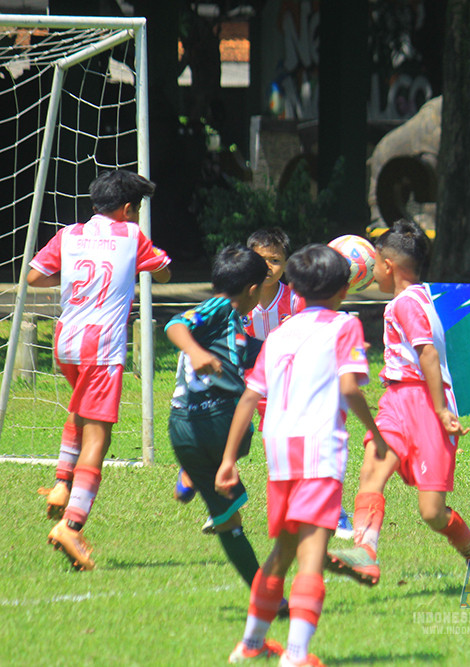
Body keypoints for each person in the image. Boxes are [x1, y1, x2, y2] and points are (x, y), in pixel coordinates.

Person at [217, 244, 388, 666]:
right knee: (311, 556)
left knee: (284, 550)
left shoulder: (280, 333)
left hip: (279, 450)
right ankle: (296, 654)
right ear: (345, 288)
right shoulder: (344, 327)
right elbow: (349, 389)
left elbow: (248, 398)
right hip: (318, 451)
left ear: (296, 287)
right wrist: (376, 433)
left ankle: (251, 644)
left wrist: (228, 460)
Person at [326, 219, 470, 588]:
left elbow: (428, 355)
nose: (368, 275)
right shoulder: (410, 299)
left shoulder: (407, 304)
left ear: (388, 267)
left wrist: (441, 410)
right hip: (396, 400)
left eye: (373, 266)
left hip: (428, 404)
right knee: (372, 471)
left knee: (432, 513)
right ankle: (364, 552)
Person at [26, 169, 172, 571]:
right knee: (99, 437)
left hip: (65, 342)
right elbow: (163, 271)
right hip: (102, 349)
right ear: (128, 209)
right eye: (137, 209)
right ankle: (72, 525)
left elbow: (35, 275)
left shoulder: (70, 234)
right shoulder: (131, 236)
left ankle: (60, 484)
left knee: (78, 409)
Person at [178, 227, 353, 539]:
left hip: (286, 388)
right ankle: (217, 506)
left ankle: (335, 515)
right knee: (225, 437)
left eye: (276, 260)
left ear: (286, 264)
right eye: (263, 260)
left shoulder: (297, 300)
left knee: (308, 448)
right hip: (246, 386)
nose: (270, 266)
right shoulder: (239, 300)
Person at [165, 244, 269, 591]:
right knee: (246, 423)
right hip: (215, 423)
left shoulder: (230, 324)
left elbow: (246, 351)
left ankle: (265, 596)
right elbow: (175, 325)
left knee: (229, 519)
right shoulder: (221, 307)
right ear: (253, 289)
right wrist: (194, 352)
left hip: (183, 427)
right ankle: (194, 476)